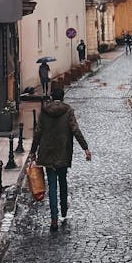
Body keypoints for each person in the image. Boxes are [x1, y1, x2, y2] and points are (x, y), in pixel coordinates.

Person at [30, 85, 91, 231]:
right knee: (62, 182)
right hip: (63, 153)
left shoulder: (44, 111)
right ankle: (64, 210)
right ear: (63, 97)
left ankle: (54, 219)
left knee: (52, 186)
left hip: (47, 153)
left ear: (51, 97)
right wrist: (85, 148)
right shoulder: (68, 111)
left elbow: (38, 133)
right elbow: (75, 130)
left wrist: (33, 152)